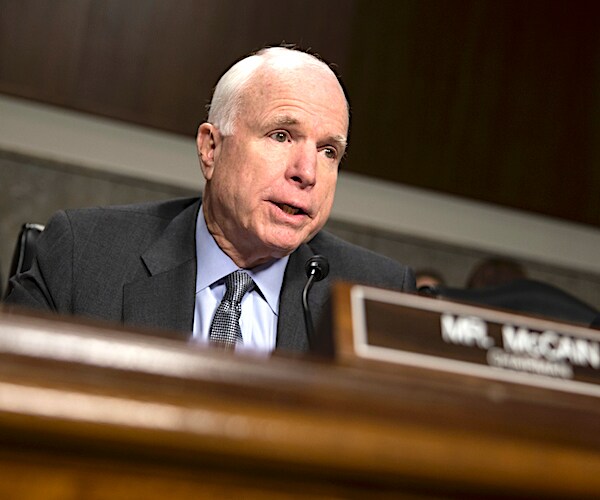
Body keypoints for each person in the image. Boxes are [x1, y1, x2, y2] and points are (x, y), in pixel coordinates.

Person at [5, 46, 416, 354]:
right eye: (281, 136)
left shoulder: (377, 296)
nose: (307, 172)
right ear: (211, 149)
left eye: (329, 151)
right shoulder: (84, 255)